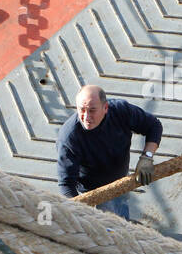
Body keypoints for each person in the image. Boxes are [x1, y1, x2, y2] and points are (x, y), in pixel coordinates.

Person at [57, 84, 162, 219]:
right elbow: (66, 184)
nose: (86, 117)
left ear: (105, 108)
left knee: (122, 207)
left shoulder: (120, 111)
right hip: (95, 192)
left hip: (121, 179)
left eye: (92, 110)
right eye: (81, 110)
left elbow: (154, 126)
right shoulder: (69, 138)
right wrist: (79, 211)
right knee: (111, 225)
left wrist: (147, 157)